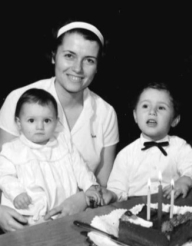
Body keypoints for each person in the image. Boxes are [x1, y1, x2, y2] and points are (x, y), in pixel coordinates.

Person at [0, 20, 119, 230]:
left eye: (89, 60)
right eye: (69, 55)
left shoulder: (106, 113)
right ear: (54, 56)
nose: (78, 68)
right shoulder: (19, 99)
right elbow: (4, 166)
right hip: (20, 224)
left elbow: (103, 187)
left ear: (97, 66)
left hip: (78, 225)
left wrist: (83, 200)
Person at [0, 88, 103, 226]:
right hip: (29, 215)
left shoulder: (63, 144)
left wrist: (89, 186)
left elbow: (80, 168)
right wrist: (17, 193)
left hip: (64, 212)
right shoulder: (12, 150)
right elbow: (4, 176)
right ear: (19, 123)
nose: (40, 127)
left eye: (47, 120)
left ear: (56, 122)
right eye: (31, 120)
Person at [104, 81, 192, 203]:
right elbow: (117, 189)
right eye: (145, 106)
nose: (152, 112)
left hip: (171, 205)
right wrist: (111, 195)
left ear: (175, 120)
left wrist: (184, 181)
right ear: (135, 116)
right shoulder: (125, 155)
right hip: (136, 210)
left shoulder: (179, 146)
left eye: (161, 107)